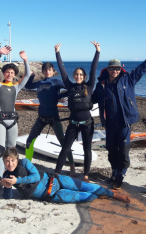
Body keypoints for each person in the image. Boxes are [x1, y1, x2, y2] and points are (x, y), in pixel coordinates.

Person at [92, 40, 146, 189]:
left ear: (120, 69)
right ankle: (114, 171)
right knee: (111, 148)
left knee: (123, 150)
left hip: (124, 122)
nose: (114, 71)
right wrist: (77, 99)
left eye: (117, 69)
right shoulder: (102, 85)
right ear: (108, 69)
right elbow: (93, 99)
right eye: (112, 69)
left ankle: (120, 175)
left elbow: (143, 68)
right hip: (110, 123)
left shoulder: (128, 79)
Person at [1, 147, 130, 203]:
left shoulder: (24, 162)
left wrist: (17, 180)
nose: (10, 163)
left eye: (12, 160)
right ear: (4, 162)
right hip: (52, 195)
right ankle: (102, 194)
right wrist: (6, 185)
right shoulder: (7, 175)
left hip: (56, 181)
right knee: (88, 198)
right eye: (7, 161)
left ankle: (114, 194)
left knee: (86, 187)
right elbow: (7, 197)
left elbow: (35, 177)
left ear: (16, 160)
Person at [54, 41, 99, 182]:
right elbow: (62, 70)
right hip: (73, 123)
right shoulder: (70, 87)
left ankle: (85, 175)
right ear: (74, 76)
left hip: (87, 124)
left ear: (84, 77)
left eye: (81, 75)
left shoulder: (90, 86)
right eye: (76, 74)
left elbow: (93, 68)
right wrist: (57, 53)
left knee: (87, 150)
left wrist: (97, 52)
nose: (78, 76)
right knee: (65, 149)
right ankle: (56, 173)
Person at [0, 45, 31, 191]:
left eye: (12, 72)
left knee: (12, 151)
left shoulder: (16, 87)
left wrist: (25, 60)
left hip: (13, 121)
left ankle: (12, 177)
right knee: (0, 150)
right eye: (7, 72)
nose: (9, 74)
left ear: (14, 75)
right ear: (4, 73)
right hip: (0, 120)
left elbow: (27, 76)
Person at [24, 63, 75, 176]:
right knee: (29, 140)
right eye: (45, 70)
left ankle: (72, 166)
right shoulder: (40, 83)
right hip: (41, 117)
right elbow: (27, 86)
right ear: (43, 71)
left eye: (49, 70)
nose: (47, 72)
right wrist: (31, 76)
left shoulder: (56, 81)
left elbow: (71, 88)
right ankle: (28, 164)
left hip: (53, 117)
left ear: (53, 71)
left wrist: (60, 96)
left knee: (64, 143)